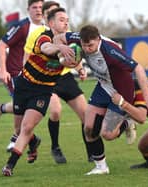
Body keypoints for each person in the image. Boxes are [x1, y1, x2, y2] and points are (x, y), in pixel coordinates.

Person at [54, 25, 148, 175]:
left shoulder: (111, 51)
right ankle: (101, 167)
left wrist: (147, 96)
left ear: (98, 39)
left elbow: (138, 68)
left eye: (90, 45)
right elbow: (58, 37)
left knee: (108, 134)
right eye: (84, 46)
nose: (87, 49)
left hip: (122, 90)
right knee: (89, 127)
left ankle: (128, 122)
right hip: (103, 87)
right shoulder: (78, 38)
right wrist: (61, 49)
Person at [1, 7, 77, 176]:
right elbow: (47, 48)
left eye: (67, 20)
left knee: (27, 127)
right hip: (24, 85)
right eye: (62, 19)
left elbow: (73, 59)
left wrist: (78, 65)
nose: (66, 23)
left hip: (43, 90)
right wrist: (60, 49)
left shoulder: (70, 43)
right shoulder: (44, 36)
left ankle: (9, 166)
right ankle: (34, 142)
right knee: (19, 129)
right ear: (51, 23)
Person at [23, 1, 92, 164]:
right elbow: (28, 57)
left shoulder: (68, 34)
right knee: (55, 111)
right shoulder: (38, 34)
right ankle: (55, 147)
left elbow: (74, 54)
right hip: (47, 79)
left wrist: (80, 68)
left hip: (66, 77)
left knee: (86, 114)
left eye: (64, 17)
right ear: (49, 19)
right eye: (57, 16)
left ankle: (92, 152)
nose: (64, 21)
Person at [0, 0, 44, 160]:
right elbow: (2, 45)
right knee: (22, 116)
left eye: (40, 7)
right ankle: (29, 143)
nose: (38, 10)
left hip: (36, 77)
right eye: (34, 7)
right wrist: (3, 70)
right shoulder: (22, 26)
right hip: (16, 75)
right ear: (28, 10)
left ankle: (30, 142)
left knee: (26, 116)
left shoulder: (47, 28)